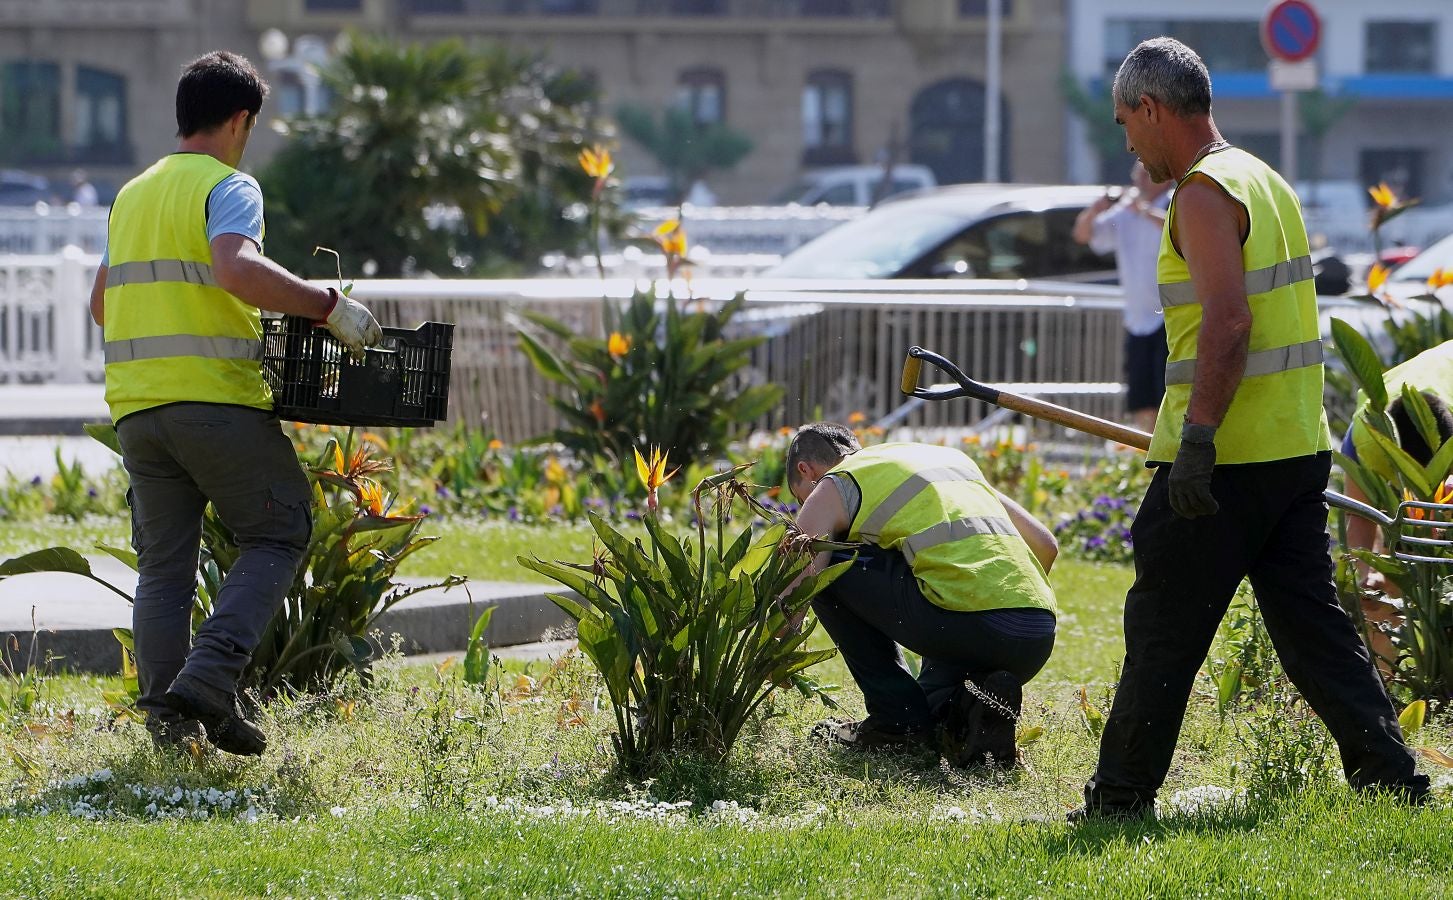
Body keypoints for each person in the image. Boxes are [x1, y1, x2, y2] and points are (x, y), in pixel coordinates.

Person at [1075, 37, 1428, 820]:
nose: (1124, 139)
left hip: (1223, 459)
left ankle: (1120, 798)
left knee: (1162, 627)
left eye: (1124, 121)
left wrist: (1196, 440)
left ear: (1151, 108)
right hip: (1293, 449)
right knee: (1311, 629)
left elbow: (1228, 325)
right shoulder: (1264, 180)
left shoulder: (1200, 192)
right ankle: (1388, 777)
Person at [87, 51, 382, 756]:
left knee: (164, 569)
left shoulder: (133, 194)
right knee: (279, 528)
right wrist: (326, 305)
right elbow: (234, 267)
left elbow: (101, 304)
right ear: (242, 119)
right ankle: (213, 676)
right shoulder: (230, 184)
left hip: (137, 410)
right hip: (215, 401)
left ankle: (169, 728)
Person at [786, 423, 1058, 769]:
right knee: (930, 711)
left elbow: (797, 593)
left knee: (832, 563)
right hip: (1035, 635)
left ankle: (894, 723)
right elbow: (1046, 547)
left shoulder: (836, 482)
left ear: (805, 471)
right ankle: (975, 703)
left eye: (800, 502)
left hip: (966, 625)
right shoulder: (949, 461)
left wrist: (768, 649)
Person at [1339, 342, 1453, 669]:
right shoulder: (1367, 439)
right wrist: (1366, 574)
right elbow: (1360, 517)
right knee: (1386, 582)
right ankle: (1386, 678)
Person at [1073, 161, 1173, 432]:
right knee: (1141, 396)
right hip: (1138, 318)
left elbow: (1179, 230)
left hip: (1170, 317)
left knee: (1167, 394)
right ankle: (1146, 452)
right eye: (1136, 174)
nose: (1139, 180)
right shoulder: (1125, 213)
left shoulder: (1174, 203)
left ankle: (1167, 449)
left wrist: (1144, 212)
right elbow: (1083, 235)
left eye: (1145, 173)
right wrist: (1097, 208)